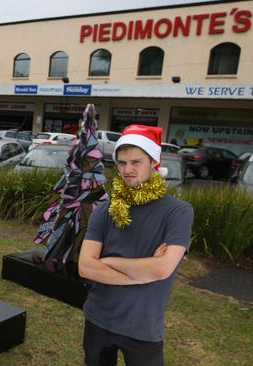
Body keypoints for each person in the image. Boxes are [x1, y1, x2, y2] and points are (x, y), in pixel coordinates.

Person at [78, 124, 194, 366]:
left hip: (143, 326)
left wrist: (108, 262)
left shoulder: (178, 212)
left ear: (153, 161)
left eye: (135, 162)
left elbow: (162, 270)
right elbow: (86, 268)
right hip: (99, 318)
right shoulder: (106, 209)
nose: (127, 169)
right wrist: (141, 273)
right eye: (121, 163)